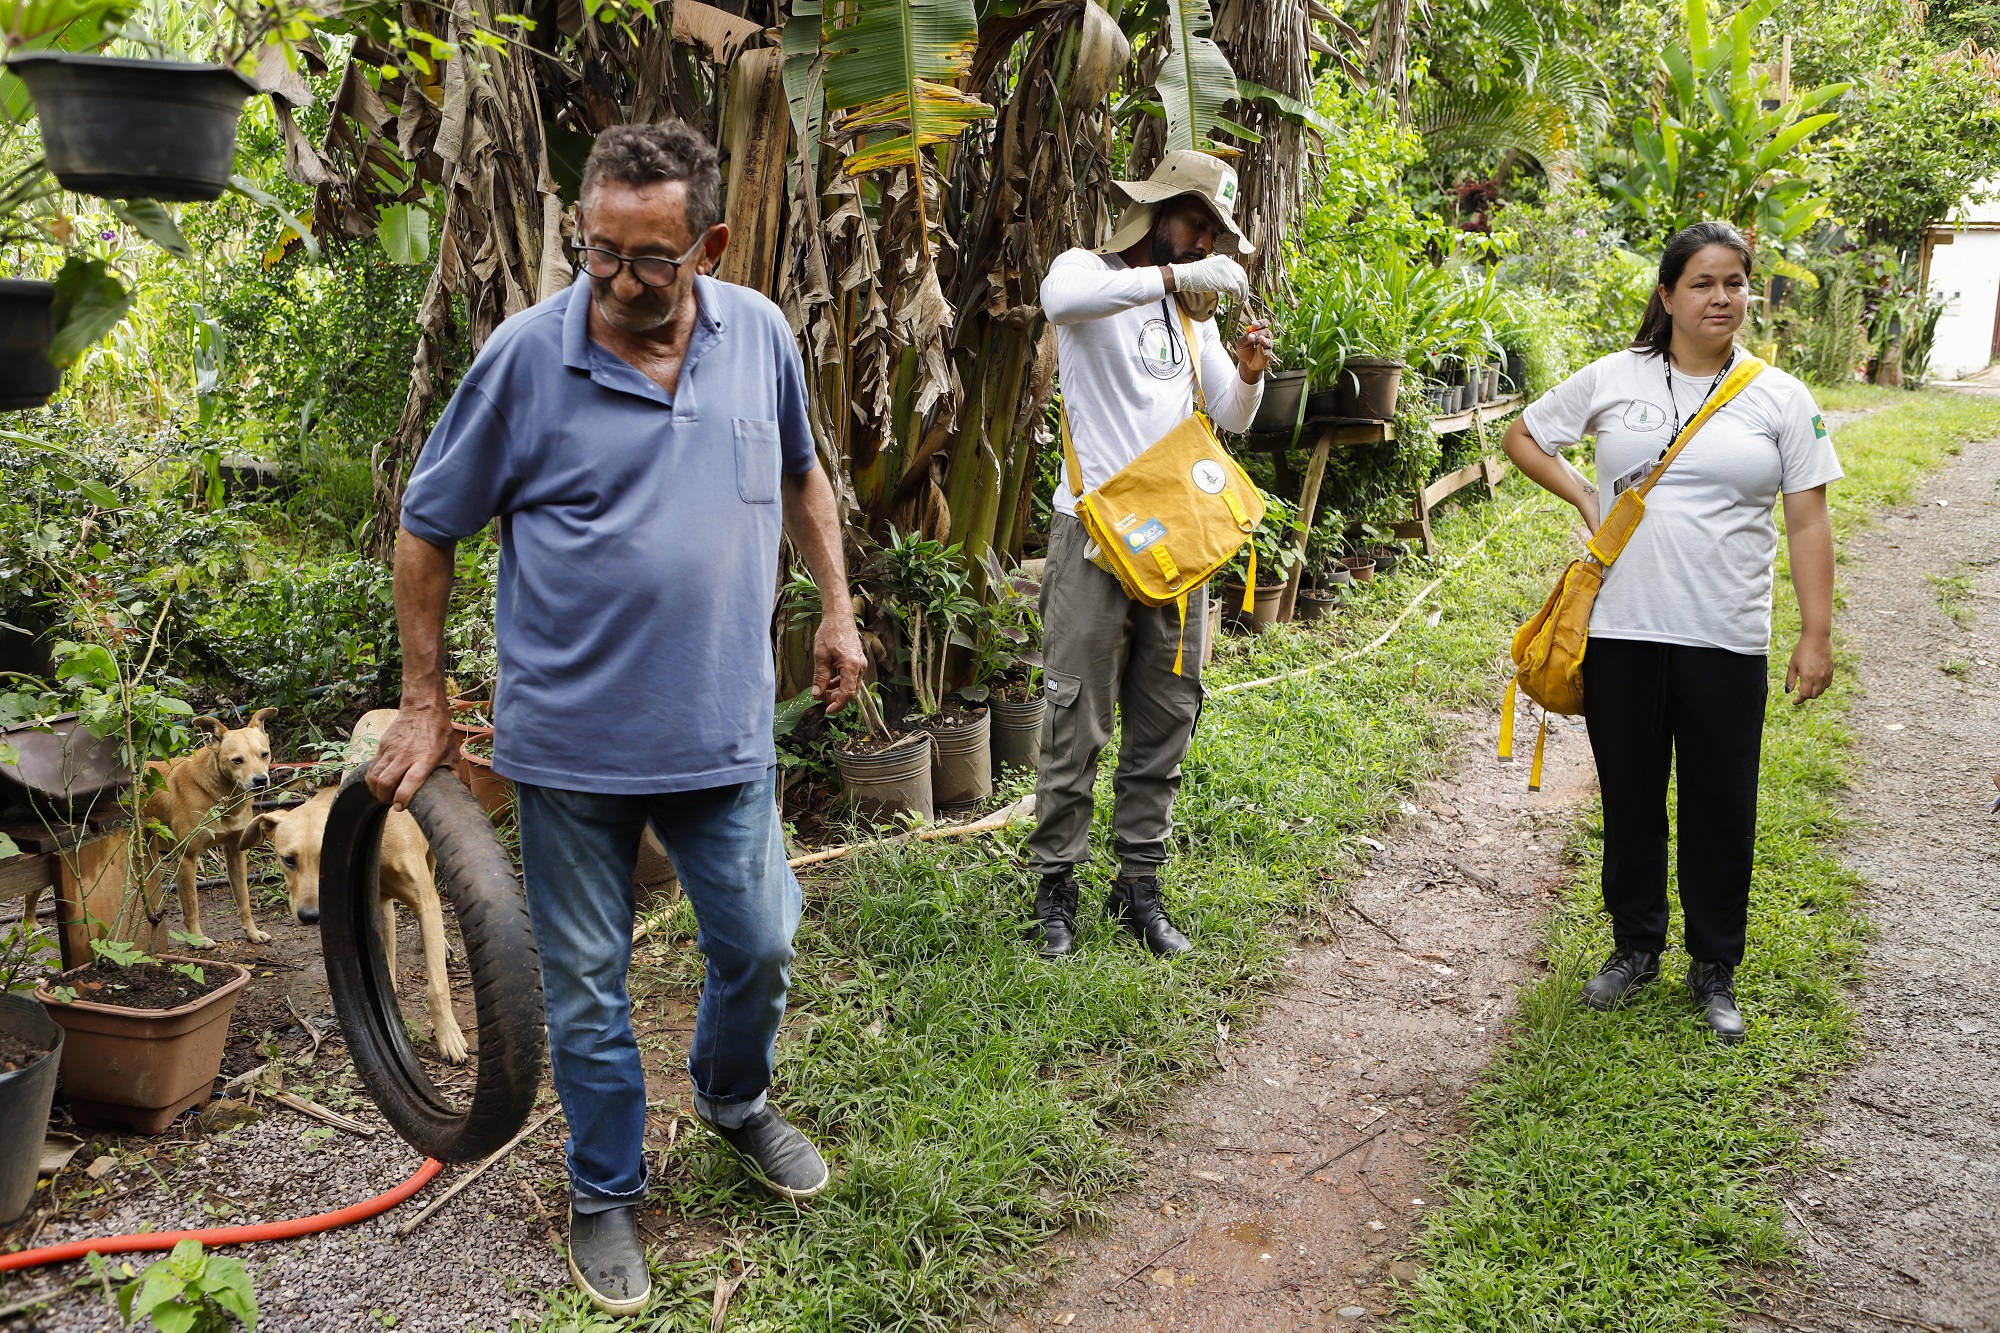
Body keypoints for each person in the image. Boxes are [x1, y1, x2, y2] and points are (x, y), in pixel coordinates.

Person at [365, 121, 866, 1315]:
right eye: (601, 255)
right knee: (586, 983)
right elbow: (425, 528)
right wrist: (425, 701)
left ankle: (733, 1099)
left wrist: (837, 610)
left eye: (654, 260)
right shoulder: (525, 359)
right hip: (572, 749)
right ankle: (605, 1190)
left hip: (722, 731)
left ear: (712, 242)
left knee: (759, 942)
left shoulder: (761, 337)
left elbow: (803, 474)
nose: (624, 285)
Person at [1500, 220, 1840, 1043]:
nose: (1721, 298)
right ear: (1668, 295)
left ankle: (1714, 963)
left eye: (1734, 283)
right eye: (1703, 283)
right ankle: (1634, 945)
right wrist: (1587, 494)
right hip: (1619, 628)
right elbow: (1522, 435)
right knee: (1631, 793)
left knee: (1723, 803)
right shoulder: (1618, 377)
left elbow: (1806, 520)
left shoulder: (1780, 396)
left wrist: (1816, 634)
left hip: (1726, 634)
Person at [1025, 150, 1273, 961]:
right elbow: (1060, 300)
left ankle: (1139, 883)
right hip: (1095, 538)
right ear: (1158, 207)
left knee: (1167, 715)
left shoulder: (1185, 317)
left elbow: (1230, 419)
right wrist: (1176, 277)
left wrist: (1249, 374)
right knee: (1075, 716)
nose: (1205, 240)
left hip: (1175, 542)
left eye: (1215, 231)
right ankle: (1054, 884)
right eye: (1196, 220)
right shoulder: (1088, 272)